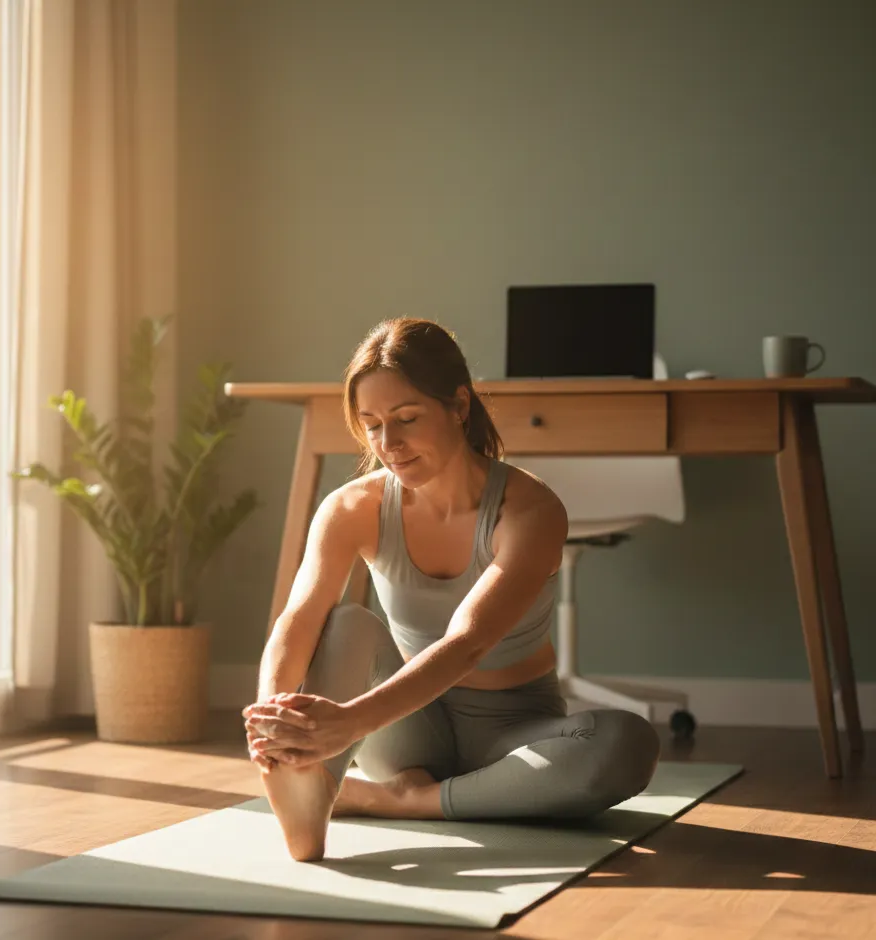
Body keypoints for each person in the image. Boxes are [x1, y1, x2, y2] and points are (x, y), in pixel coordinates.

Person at [242, 317, 660, 861]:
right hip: (402, 731)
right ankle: (329, 797)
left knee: (626, 743)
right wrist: (273, 717)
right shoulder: (352, 508)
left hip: (514, 733)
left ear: (459, 406)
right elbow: (299, 617)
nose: (387, 444)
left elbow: (468, 644)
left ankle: (396, 802)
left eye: (407, 419)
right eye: (371, 425)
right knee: (345, 623)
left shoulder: (529, 510)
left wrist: (346, 725)